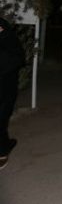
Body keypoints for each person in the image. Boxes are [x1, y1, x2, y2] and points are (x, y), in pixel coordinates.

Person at [0, 17, 25, 170]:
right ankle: (6, 143)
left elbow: (17, 59)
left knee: (0, 120)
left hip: (4, 90)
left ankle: (2, 152)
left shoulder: (8, 40)